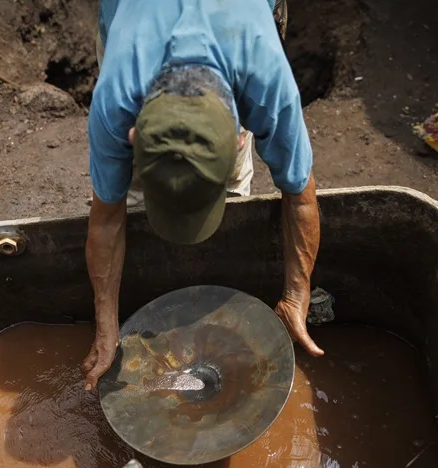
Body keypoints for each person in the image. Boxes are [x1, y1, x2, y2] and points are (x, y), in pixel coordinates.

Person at [82, 0, 324, 392]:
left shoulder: (266, 80)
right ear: (133, 135)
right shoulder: (116, 96)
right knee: (131, 193)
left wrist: (297, 296)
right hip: (134, 20)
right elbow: (107, 217)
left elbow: (299, 193)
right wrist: (106, 326)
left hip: (240, 24)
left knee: (233, 186)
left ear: (239, 136)